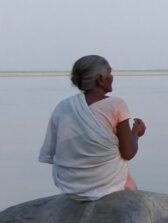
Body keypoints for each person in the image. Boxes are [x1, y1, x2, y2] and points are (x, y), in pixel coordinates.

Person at [39, 55, 147, 201]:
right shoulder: (117, 104)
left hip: (69, 184)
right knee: (128, 180)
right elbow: (128, 153)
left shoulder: (64, 106)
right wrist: (136, 132)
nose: (112, 76)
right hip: (105, 184)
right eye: (110, 73)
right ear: (100, 79)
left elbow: (58, 149)